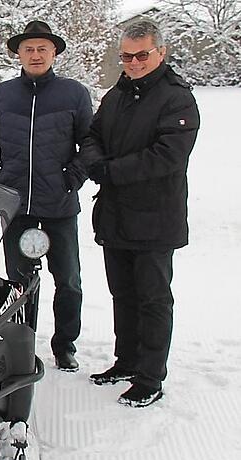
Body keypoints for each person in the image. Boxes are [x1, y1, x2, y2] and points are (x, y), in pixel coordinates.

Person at [80, 20, 199, 407]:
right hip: (115, 214)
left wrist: (112, 171)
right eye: (126, 56)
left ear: (160, 53)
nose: (133, 62)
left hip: (154, 217)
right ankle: (126, 360)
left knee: (152, 299)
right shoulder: (117, 94)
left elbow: (168, 156)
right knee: (122, 294)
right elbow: (92, 135)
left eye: (141, 55)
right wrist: (96, 163)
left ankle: (150, 376)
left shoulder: (176, 98)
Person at [0, 21, 92, 373]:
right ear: (18, 54)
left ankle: (64, 345)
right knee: (18, 282)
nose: (36, 54)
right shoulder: (2, 95)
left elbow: (90, 144)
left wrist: (71, 177)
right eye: (29, 49)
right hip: (15, 207)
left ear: (54, 53)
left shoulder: (74, 94)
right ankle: (22, 343)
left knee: (68, 280)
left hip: (58, 205)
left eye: (43, 48)